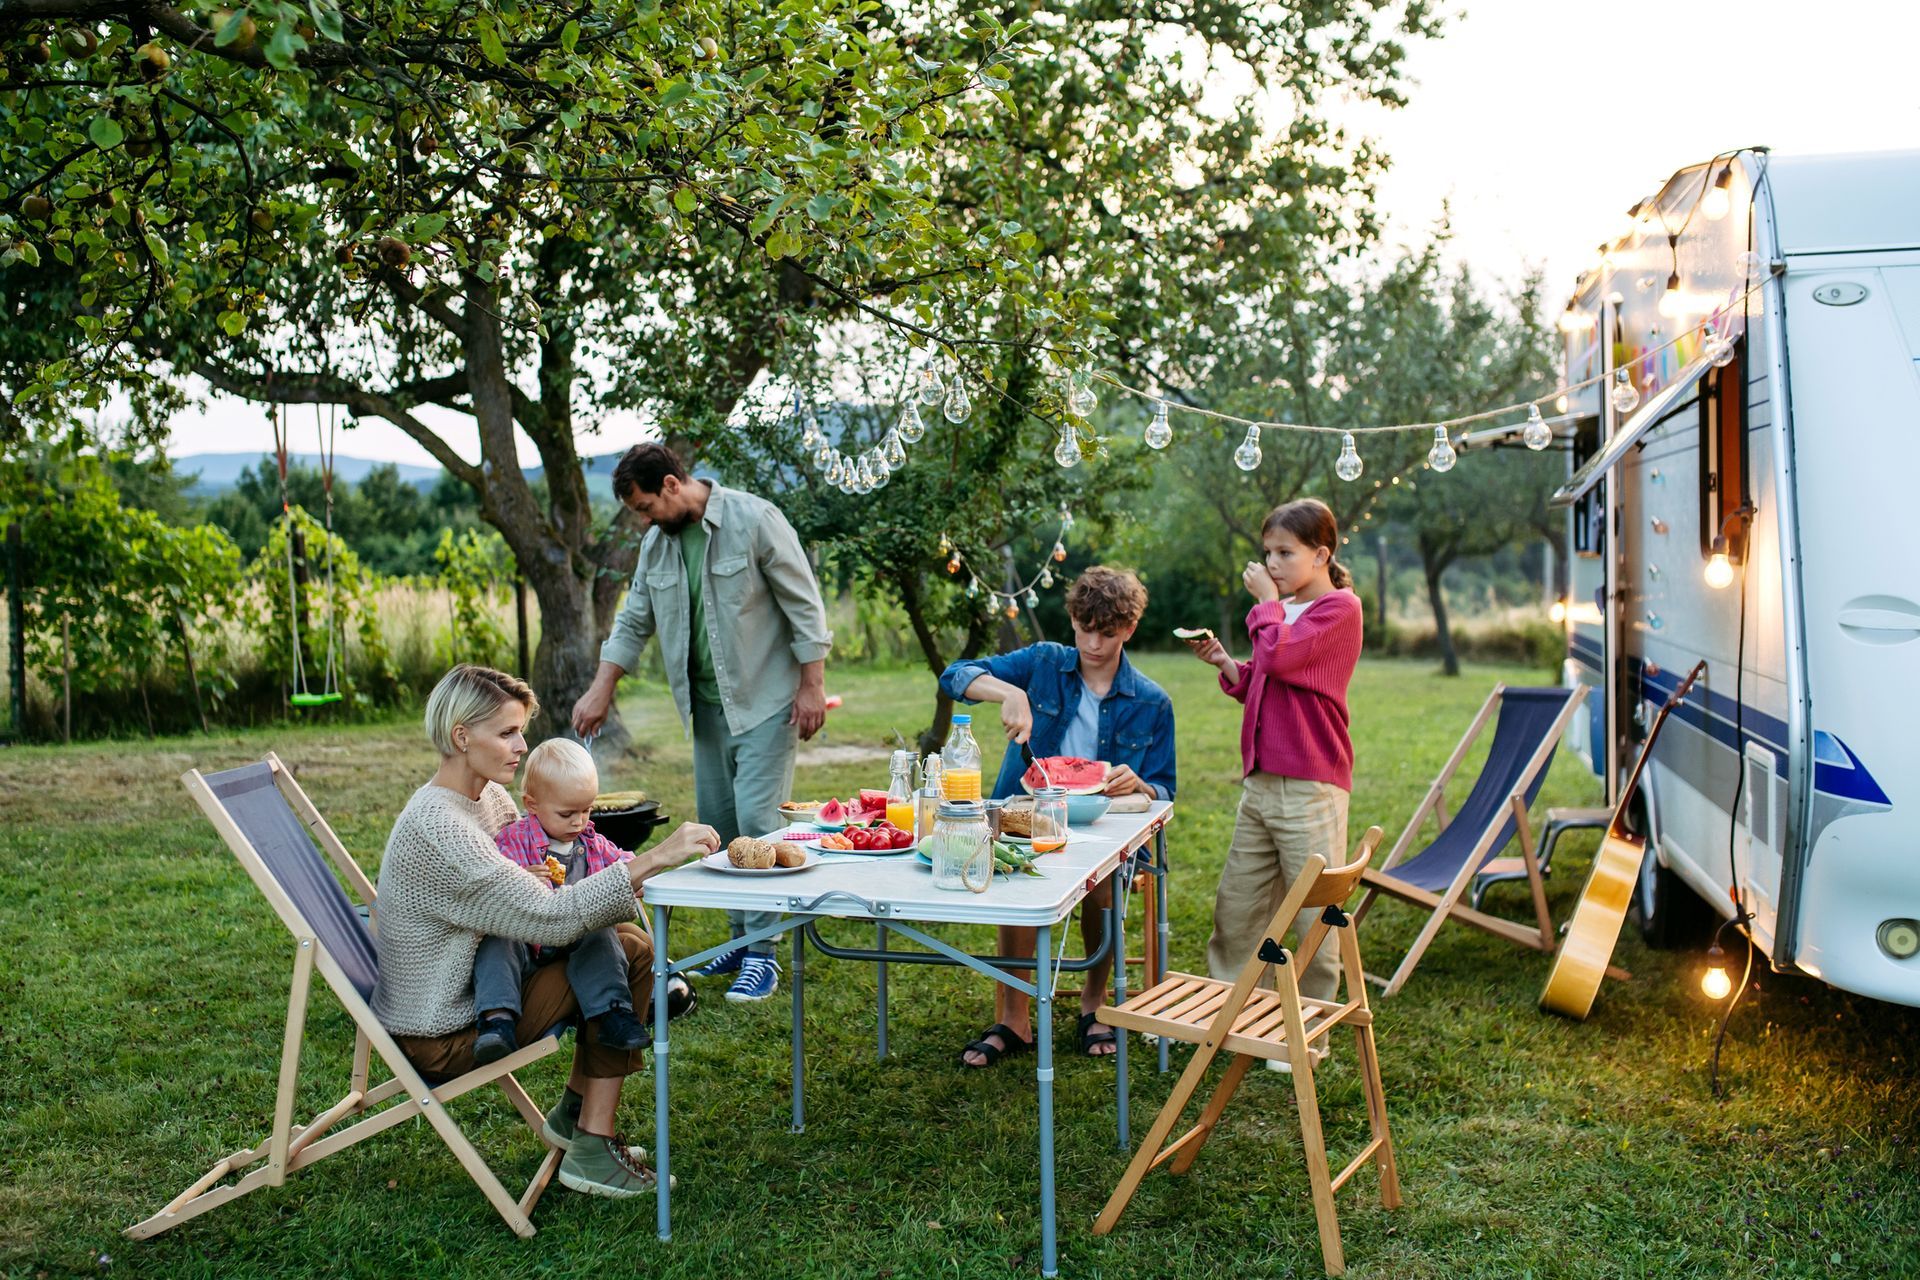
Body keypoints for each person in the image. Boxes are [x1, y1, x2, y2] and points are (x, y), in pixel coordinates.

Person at [372, 664, 721, 1199]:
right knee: (631, 955)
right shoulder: (441, 828)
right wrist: (657, 857)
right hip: (446, 1029)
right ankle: (589, 1146)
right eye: (507, 732)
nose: (521, 745)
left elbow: (542, 894)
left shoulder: (487, 797)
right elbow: (551, 918)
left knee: (625, 943)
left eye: (521, 730)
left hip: (485, 987)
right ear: (462, 736)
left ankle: (578, 1118)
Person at [572, 443, 831, 1004]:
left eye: (645, 506)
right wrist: (603, 685)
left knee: (759, 823)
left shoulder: (754, 519)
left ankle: (763, 956)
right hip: (706, 710)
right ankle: (739, 940)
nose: (643, 520)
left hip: (766, 702)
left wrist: (813, 685)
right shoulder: (655, 547)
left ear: (671, 485)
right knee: (719, 826)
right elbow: (634, 618)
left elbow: (804, 605)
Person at [938, 566, 1175, 1068]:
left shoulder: (1153, 702)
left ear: (1129, 629)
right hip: (1024, 817)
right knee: (1015, 886)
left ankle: (1094, 1001)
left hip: (1106, 828)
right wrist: (1009, 693)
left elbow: (1163, 788)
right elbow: (955, 673)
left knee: (1107, 882)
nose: (1093, 642)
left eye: (1107, 633)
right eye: (1084, 628)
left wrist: (1140, 784)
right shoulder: (1043, 663)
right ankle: (1014, 1017)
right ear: (1071, 618)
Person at [1186, 498, 1361, 1070]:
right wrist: (1229, 667)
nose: (1275, 563)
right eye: (1268, 553)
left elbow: (1285, 662)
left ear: (1322, 554)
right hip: (1261, 782)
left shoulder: (1338, 610)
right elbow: (1268, 680)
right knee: (1238, 906)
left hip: (1311, 784)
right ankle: (1232, 1015)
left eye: (1286, 552)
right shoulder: (1284, 612)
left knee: (1312, 915)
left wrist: (1265, 606)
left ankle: (1304, 1034)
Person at [471, 738, 645, 1066]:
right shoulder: (514, 840)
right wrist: (522, 880)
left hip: (574, 942)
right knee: (496, 944)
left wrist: (638, 879)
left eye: (586, 810)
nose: (579, 822)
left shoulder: (591, 843)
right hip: (527, 942)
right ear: (532, 804)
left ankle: (613, 1014)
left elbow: (625, 864)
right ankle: (497, 1021)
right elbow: (494, 888)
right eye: (567, 813)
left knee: (601, 933)